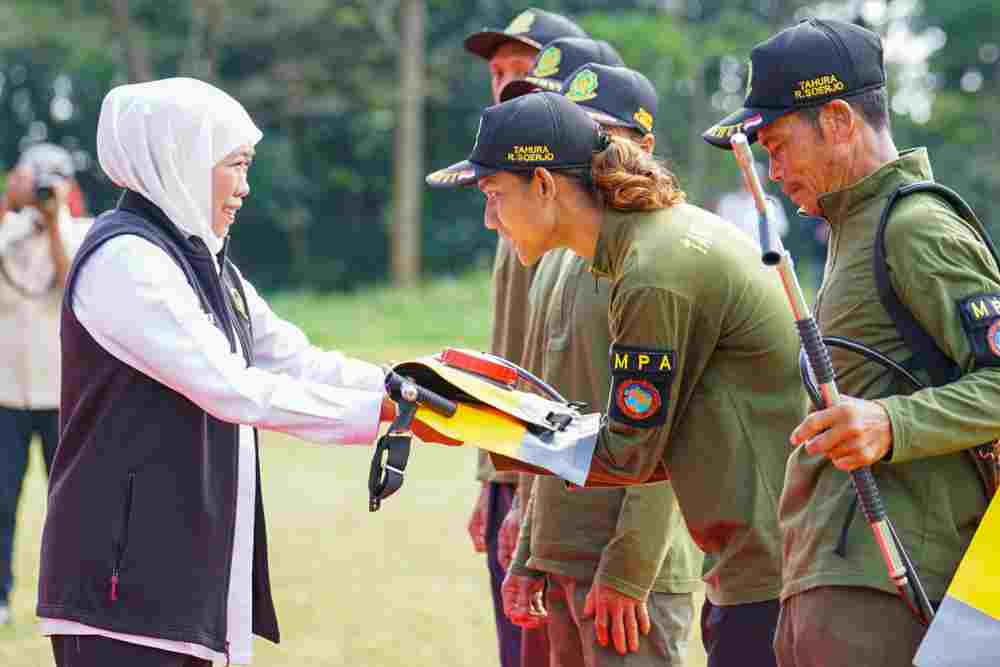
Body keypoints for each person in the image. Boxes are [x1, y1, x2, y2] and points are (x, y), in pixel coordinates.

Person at [426, 91, 807, 667]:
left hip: (770, 568)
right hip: (753, 557)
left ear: (546, 186)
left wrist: (474, 422)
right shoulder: (642, 248)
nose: (489, 218)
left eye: (494, 195)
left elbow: (628, 452)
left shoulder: (652, 271)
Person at [35, 77, 406, 667]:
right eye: (235, 165)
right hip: (121, 592)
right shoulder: (126, 260)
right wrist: (382, 412)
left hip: (181, 578)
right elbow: (231, 388)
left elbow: (293, 357)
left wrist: (404, 385)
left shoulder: (202, 260)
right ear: (181, 159)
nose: (245, 187)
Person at [703, 18, 1000, 666]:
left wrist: (891, 422)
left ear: (838, 120)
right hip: (829, 572)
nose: (773, 170)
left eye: (779, 146)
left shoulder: (915, 224)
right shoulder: (848, 228)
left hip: (888, 586)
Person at [496, 64, 704, 667]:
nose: (585, 153)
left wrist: (631, 569)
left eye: (602, 135)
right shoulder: (562, 255)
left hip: (630, 573)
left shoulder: (657, 253)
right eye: (574, 133)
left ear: (644, 147)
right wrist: (530, 549)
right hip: (566, 549)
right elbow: (550, 414)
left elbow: (668, 429)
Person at [461, 9, 587, 667]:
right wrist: (492, 477)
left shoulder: (560, 208)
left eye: (525, 70)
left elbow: (555, 363)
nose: (508, 84)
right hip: (515, 456)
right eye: (499, 73)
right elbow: (507, 349)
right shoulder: (510, 196)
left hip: (553, 461)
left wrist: (521, 487)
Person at [0, 143, 91, 625]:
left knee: (71, 502)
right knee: (0, 503)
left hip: (61, 395)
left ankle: (73, 597)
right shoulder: (7, 232)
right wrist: (18, 214)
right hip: (6, 394)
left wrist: (54, 223)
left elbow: (70, 281)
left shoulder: (81, 234)